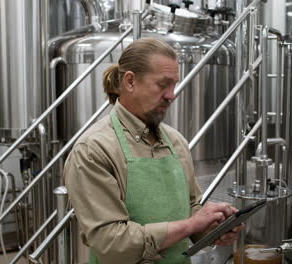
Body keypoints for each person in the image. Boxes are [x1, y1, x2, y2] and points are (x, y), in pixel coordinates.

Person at [63, 37, 243, 264]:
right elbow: (111, 243)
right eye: (162, 84)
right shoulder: (94, 150)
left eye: (174, 85)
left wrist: (212, 228)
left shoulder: (175, 141)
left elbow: (190, 209)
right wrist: (191, 225)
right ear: (130, 82)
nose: (172, 95)